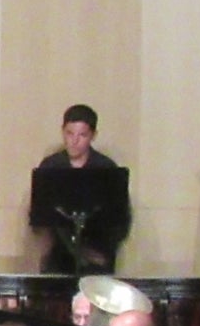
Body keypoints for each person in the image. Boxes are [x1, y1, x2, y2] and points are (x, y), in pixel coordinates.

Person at [34, 103, 130, 273]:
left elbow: (121, 218)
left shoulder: (106, 169)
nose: (74, 141)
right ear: (62, 131)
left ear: (93, 135)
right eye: (69, 133)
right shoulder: (51, 167)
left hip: (97, 259)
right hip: (58, 258)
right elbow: (40, 215)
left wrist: (101, 250)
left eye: (82, 135)